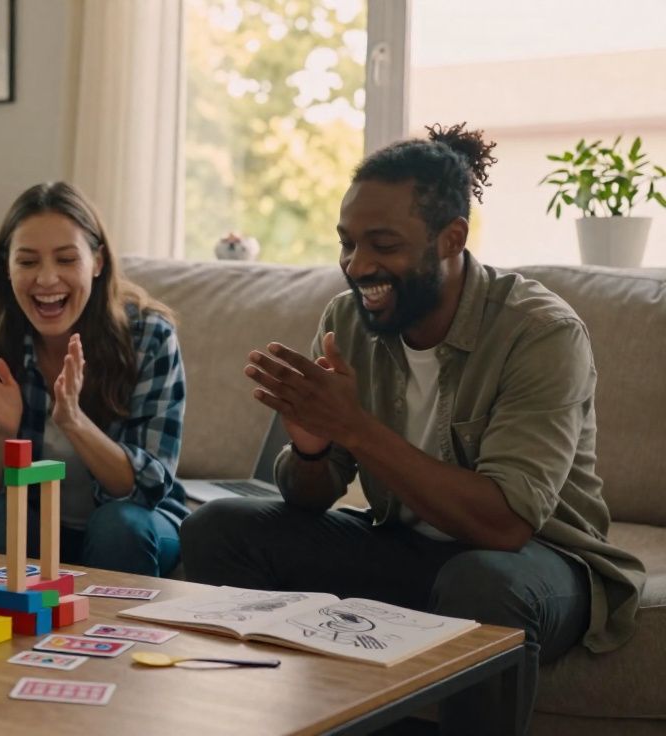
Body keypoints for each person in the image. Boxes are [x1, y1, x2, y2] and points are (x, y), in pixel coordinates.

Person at [179, 124, 645, 734]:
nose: (357, 265)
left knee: (481, 584)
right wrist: (312, 448)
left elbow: (504, 525)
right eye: (347, 243)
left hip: (542, 565)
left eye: (383, 244)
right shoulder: (348, 319)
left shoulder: (540, 334)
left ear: (452, 238)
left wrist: (356, 426)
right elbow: (311, 495)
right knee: (222, 527)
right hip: (407, 549)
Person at [0, 182, 187, 577]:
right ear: (6, 268)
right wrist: (3, 434)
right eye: (27, 262)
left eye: (65, 259)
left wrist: (73, 420)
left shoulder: (149, 337)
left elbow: (147, 488)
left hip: (136, 523)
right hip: (36, 524)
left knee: (119, 526)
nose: (46, 279)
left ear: (97, 261)